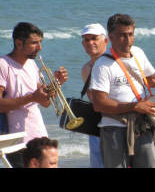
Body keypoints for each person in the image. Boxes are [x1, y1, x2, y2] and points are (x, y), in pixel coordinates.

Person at [90, 13, 155, 168]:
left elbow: (150, 80)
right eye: (122, 36)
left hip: (141, 126)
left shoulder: (138, 52)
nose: (128, 40)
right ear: (110, 37)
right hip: (114, 128)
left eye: (131, 35)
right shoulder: (102, 64)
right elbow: (98, 104)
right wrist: (133, 106)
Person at [0, 22, 68, 168]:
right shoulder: (3, 64)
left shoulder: (32, 64)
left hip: (38, 134)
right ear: (19, 43)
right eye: (34, 43)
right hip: (16, 140)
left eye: (40, 42)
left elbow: (45, 102)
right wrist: (31, 97)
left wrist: (56, 84)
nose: (40, 47)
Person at [81, 23, 109, 168]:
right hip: (96, 124)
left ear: (105, 41)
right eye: (86, 39)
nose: (90, 42)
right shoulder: (86, 69)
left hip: (116, 123)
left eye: (94, 38)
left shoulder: (114, 64)